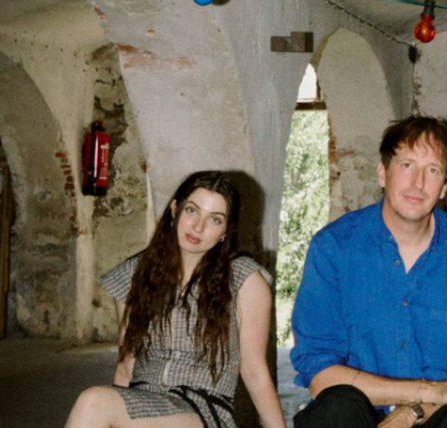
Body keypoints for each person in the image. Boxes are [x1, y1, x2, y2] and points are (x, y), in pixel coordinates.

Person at [290, 116, 447, 428]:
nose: (418, 182)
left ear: (445, 187)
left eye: (432, 170)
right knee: (335, 406)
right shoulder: (333, 247)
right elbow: (319, 373)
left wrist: (411, 413)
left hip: (435, 414)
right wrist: (426, 391)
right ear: (382, 172)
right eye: (407, 165)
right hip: (358, 413)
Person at [64, 171, 286, 428]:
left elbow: (255, 371)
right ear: (174, 210)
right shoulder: (135, 273)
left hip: (203, 410)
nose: (198, 227)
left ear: (226, 231)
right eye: (192, 211)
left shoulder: (244, 279)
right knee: (96, 404)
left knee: (93, 401)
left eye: (215, 219)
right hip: (144, 403)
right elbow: (126, 365)